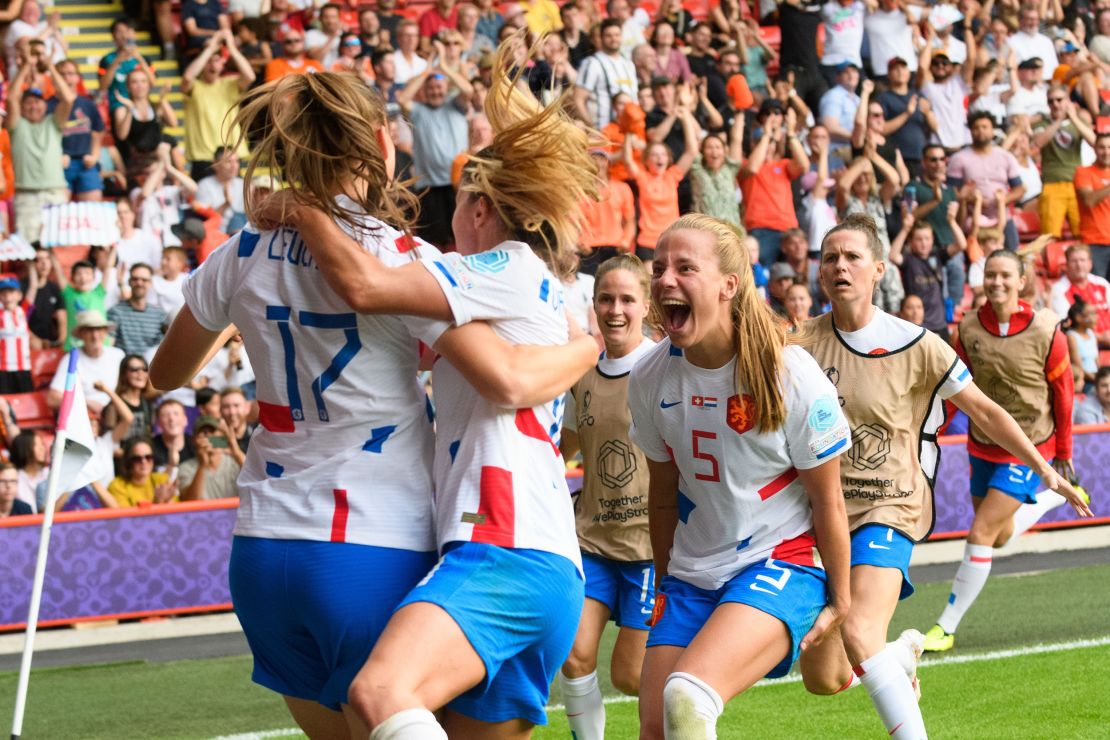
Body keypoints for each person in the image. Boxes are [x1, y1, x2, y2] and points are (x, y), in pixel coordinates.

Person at [150, 68, 598, 738]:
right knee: (395, 707)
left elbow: (166, 372)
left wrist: (247, 312)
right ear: (378, 147)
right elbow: (498, 371)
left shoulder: (239, 250)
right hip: (369, 538)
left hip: (262, 548)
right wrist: (586, 348)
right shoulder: (401, 258)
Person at [796, 215, 1082, 738]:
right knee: (824, 675)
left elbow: (987, 411)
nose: (839, 265)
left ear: (878, 269)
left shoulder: (917, 343)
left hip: (892, 505)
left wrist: (1047, 467)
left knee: (859, 629)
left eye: (852, 256)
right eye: (829, 257)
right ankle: (902, 658)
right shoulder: (800, 342)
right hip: (823, 513)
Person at [627, 213, 851, 739]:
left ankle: (879, 662)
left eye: (685, 267)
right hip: (690, 573)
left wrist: (842, 600)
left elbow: (828, 503)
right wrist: (666, 582)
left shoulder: (789, 375)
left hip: (779, 560)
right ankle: (887, 663)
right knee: (657, 728)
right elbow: (662, 500)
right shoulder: (649, 376)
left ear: (730, 284)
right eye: (658, 268)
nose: (664, 281)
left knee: (687, 696)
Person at [923, 250, 1092, 653]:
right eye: (990, 275)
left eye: (1005, 276)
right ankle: (1052, 498)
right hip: (983, 444)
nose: (996, 282)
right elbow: (954, 390)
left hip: (1032, 446)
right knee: (996, 539)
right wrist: (932, 431)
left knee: (979, 532)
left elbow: (1064, 394)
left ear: (1021, 282)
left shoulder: (1048, 330)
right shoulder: (966, 329)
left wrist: (1063, 451)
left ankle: (945, 627)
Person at [557, 255, 657, 739]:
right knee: (574, 656)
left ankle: (697, 698)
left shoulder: (665, 370)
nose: (615, 310)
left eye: (626, 300)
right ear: (593, 305)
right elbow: (562, 449)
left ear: (646, 305)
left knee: (631, 675)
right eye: (605, 299)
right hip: (592, 540)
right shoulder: (584, 376)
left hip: (648, 550)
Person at [7, 55, 74, 244]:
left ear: (45, 105)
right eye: (28, 102)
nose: (33, 105)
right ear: (22, 106)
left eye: (37, 101)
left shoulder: (53, 123)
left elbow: (68, 98)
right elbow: (11, 98)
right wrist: (25, 66)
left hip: (55, 192)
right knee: (27, 247)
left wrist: (51, 67)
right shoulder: (17, 125)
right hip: (26, 195)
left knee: (58, 244)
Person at [182, 29, 255, 182]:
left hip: (231, 156)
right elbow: (188, 77)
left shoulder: (230, 84)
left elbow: (250, 76)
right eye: (208, 60)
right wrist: (210, 49)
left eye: (216, 60)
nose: (212, 64)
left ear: (223, 64)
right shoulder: (194, 86)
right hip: (203, 157)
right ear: (201, 63)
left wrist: (231, 48)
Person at [1035, 90, 1096, 238]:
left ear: (1068, 101)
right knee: (1049, 235)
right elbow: (1039, 142)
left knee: (1082, 233)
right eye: (1051, 101)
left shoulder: (1078, 121)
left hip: (1077, 184)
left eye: (1059, 100)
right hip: (1052, 182)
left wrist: (1073, 118)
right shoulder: (1042, 122)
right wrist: (1058, 120)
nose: (1055, 104)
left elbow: (1094, 141)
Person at [47, 310, 125, 413]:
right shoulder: (72, 359)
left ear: (105, 332)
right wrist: (85, 403)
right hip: (86, 415)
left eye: (99, 329)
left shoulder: (118, 355)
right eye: (89, 330)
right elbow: (52, 398)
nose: (95, 336)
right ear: (81, 335)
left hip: (117, 413)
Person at [574, 19, 637, 130]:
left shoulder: (629, 64)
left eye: (617, 35)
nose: (614, 39)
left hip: (629, 133)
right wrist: (591, 127)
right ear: (601, 38)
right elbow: (578, 99)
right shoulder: (592, 63)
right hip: (602, 132)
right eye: (609, 35)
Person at [1050, 243, 1110, 346]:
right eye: (1074, 261)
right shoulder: (1059, 289)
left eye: (1082, 260)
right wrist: (1100, 337)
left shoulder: (1102, 283)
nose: (1079, 265)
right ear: (1067, 265)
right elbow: (1066, 327)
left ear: (1090, 263)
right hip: (1081, 345)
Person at [108, 263, 166, 356]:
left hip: (151, 366)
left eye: (144, 280)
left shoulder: (159, 315)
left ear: (150, 283)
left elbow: (161, 347)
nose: (139, 283)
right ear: (129, 281)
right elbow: (109, 345)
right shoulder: (115, 312)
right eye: (135, 279)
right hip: (124, 366)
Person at [178, 415, 241, 500]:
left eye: (212, 432)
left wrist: (237, 452)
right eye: (203, 433)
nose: (208, 437)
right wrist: (202, 465)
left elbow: (258, 478)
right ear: (194, 440)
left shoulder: (235, 462)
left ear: (222, 437)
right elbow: (191, 502)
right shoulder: (185, 468)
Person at [1074, 132, 1110, 280]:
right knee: (1096, 290)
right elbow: (1089, 200)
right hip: (1094, 242)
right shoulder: (1083, 172)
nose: (1106, 151)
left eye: (1109, 147)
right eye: (1102, 147)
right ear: (1094, 148)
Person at [108, 437, 177, 506]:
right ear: (128, 461)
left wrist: (168, 501)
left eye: (148, 457)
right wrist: (157, 502)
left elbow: (178, 511)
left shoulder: (161, 479)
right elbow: (126, 516)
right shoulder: (117, 486)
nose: (144, 461)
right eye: (137, 459)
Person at [103, 353, 154, 441]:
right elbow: (109, 443)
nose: (141, 373)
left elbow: (149, 435)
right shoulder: (113, 406)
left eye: (145, 369)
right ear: (124, 374)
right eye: (134, 369)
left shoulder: (148, 404)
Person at [0, 274, 33, 394]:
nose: (7, 296)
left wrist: (31, 268)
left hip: (23, 366)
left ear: (19, 295)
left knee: (27, 400)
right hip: (2, 368)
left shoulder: (24, 311)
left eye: (11, 292)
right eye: (3, 293)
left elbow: (33, 288)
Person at [10, 431, 47, 513]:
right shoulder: (14, 478)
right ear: (24, 448)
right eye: (36, 445)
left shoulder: (49, 474)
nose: (42, 449)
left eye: (42, 444)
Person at [1067, 300, 1099, 394]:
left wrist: (1103, 377)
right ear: (1079, 318)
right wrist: (1097, 381)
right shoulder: (1072, 336)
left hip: (1096, 378)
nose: (1096, 317)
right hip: (1086, 381)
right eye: (1092, 314)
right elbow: (1078, 367)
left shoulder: (1091, 334)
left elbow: (1097, 360)